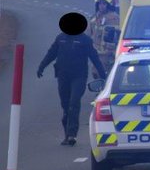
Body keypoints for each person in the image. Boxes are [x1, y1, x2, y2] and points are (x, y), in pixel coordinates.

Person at [37, 13, 107, 146]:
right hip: (63, 76)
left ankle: (72, 134)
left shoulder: (85, 40)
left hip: (79, 76)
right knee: (65, 105)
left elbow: (95, 58)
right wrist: (41, 67)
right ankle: (66, 134)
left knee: (74, 103)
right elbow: (51, 53)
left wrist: (104, 76)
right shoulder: (60, 38)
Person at [89, 0, 120, 74]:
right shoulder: (95, 17)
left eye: (104, 4)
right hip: (96, 52)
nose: (101, 6)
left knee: (103, 74)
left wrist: (110, 51)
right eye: (99, 4)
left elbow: (115, 36)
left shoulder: (114, 18)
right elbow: (91, 33)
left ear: (108, 5)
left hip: (107, 52)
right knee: (95, 73)